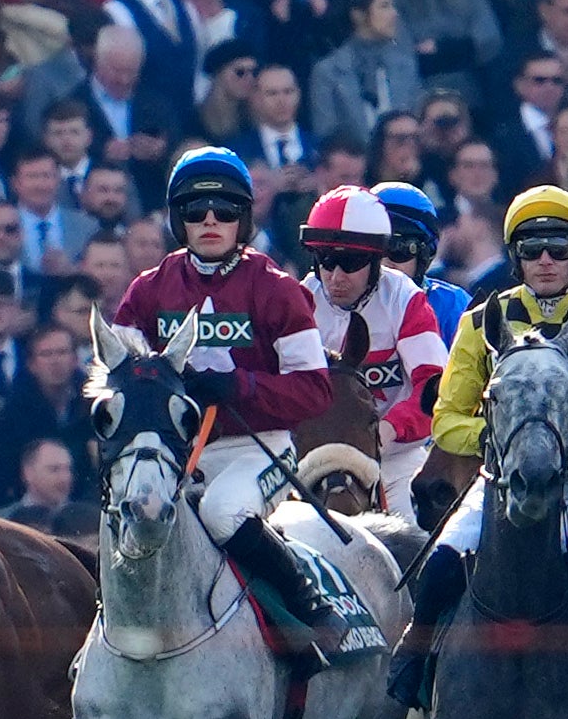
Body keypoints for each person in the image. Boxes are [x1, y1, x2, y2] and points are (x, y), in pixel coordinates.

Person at [103, 144, 380, 669]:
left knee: (222, 512)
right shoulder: (146, 292)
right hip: (174, 456)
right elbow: (112, 387)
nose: (211, 221)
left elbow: (315, 392)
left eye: (225, 211)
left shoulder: (277, 291)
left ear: (244, 219)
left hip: (258, 451)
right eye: (195, 211)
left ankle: (309, 610)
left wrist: (238, 386)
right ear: (176, 219)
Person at [392, 182, 568, 707]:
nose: (545, 260)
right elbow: (446, 420)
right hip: (501, 479)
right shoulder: (480, 322)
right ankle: (413, 662)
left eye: (559, 248)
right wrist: (504, 441)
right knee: (442, 563)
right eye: (531, 249)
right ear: (514, 257)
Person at [288, 178, 452, 515]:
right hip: (317, 460)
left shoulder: (405, 299)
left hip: (397, 458)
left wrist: (386, 431)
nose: (335, 276)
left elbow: (434, 390)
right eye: (325, 260)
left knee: (419, 538)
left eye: (349, 263)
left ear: (377, 260)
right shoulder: (301, 302)